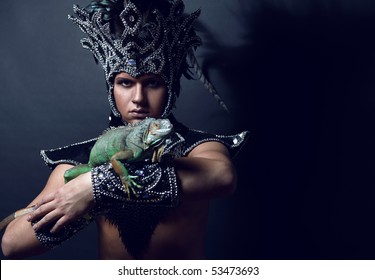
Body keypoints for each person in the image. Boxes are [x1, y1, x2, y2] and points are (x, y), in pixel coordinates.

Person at [1, 0, 249, 259]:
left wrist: (95, 188)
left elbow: (222, 176)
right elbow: (12, 244)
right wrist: (79, 202)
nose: (138, 98)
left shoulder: (197, 147)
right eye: (126, 83)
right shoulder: (84, 158)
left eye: (152, 83)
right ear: (112, 88)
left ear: (171, 86)